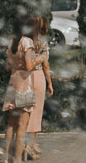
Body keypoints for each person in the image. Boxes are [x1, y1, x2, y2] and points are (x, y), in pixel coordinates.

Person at [2, 18, 38, 163]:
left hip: (12, 82)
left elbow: (7, 67)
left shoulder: (12, 42)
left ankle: (6, 158)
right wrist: (39, 59)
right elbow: (29, 66)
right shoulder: (27, 42)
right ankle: (17, 160)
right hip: (25, 83)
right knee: (22, 126)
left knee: (11, 124)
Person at [23, 15, 54, 159]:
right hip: (37, 76)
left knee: (25, 112)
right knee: (36, 113)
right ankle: (29, 146)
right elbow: (46, 64)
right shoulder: (42, 42)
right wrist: (50, 83)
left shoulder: (23, 41)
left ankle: (26, 145)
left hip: (23, 78)